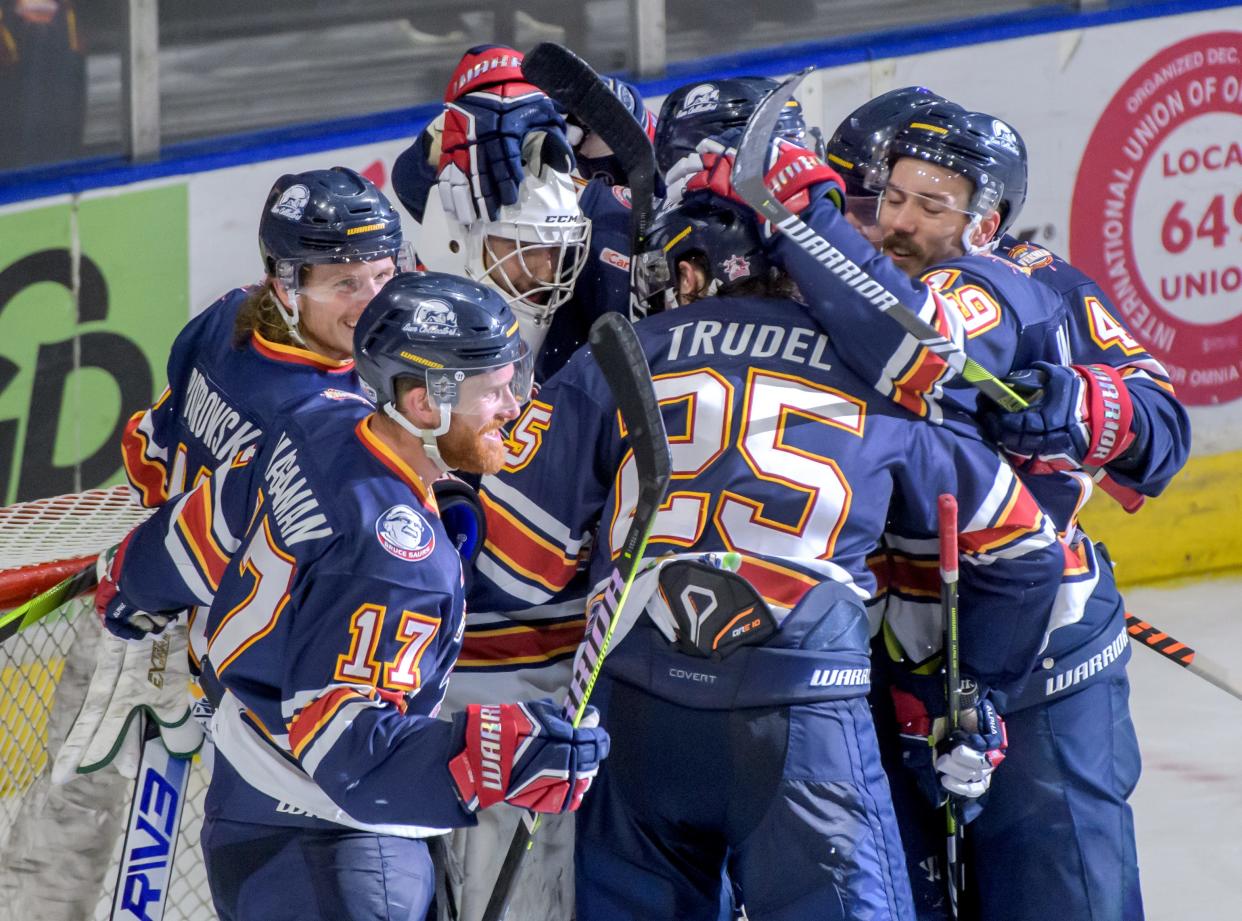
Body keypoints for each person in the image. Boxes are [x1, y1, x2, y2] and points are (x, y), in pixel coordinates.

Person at [467, 182, 1070, 920]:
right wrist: (969, 688)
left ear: (690, 272)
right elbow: (1027, 552)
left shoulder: (618, 356)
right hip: (805, 713)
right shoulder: (887, 382)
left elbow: (514, 565)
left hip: (635, 710)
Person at [695, 94, 1189, 920]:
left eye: (931, 206)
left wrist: (1084, 406)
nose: (894, 224)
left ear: (987, 222)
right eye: (887, 199)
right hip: (888, 674)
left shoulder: (1011, 283)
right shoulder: (824, 298)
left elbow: (1161, 432)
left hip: (1038, 670)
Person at [92, 271, 610, 921]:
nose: (514, 407)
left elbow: (208, 524)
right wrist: (496, 754)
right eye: (496, 391)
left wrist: (132, 581)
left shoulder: (317, 423)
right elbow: (344, 746)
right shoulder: (397, 563)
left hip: (242, 809)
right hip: (337, 857)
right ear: (424, 402)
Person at [53, 166, 414, 794]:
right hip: (261, 679)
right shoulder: (330, 417)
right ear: (287, 284)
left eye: (383, 275)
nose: (374, 301)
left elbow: (148, 445)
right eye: (347, 283)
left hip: (174, 613)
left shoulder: (223, 319)